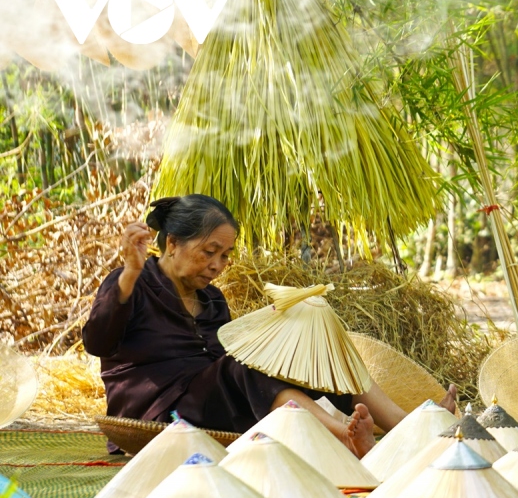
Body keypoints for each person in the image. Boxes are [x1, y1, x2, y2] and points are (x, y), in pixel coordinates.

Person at [83, 194, 456, 457]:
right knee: (249, 367)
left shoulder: (213, 301)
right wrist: (130, 274)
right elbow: (97, 341)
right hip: (162, 414)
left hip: (214, 405)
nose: (217, 265)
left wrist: (278, 340)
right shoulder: (133, 282)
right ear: (172, 243)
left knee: (305, 354)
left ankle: (414, 427)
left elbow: (226, 360)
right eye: (209, 251)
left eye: (225, 256)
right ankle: (344, 437)